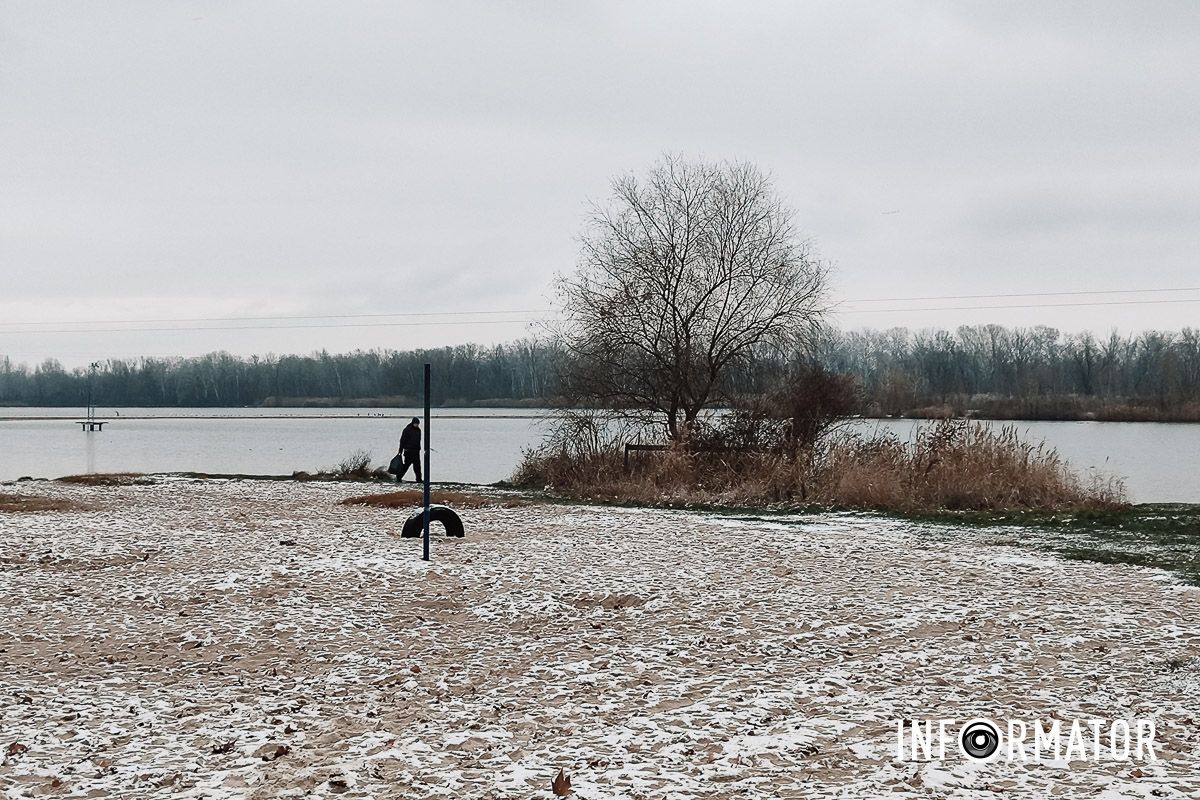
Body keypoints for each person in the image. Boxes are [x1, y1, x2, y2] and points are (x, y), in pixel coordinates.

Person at [395, 417, 422, 483]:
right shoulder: (407, 430)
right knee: (406, 466)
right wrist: (400, 451)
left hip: (416, 451)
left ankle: (419, 479)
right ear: (413, 423)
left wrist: (419, 448)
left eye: (417, 424)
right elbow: (402, 441)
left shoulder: (418, 430)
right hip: (408, 451)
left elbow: (418, 440)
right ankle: (399, 477)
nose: (417, 425)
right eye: (416, 423)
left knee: (417, 467)